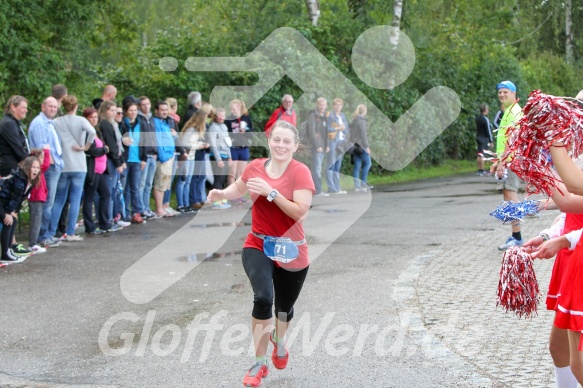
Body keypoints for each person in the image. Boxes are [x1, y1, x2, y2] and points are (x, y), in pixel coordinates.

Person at [207, 120, 314, 387]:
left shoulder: (300, 173)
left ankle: (280, 340)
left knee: (284, 310)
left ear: (295, 146)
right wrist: (222, 193)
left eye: (286, 141)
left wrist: (272, 192)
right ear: (269, 141)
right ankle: (259, 362)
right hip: (258, 244)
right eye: (276, 140)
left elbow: (300, 211)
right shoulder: (255, 166)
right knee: (264, 298)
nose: (280, 145)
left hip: (292, 250)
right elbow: (240, 188)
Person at [50, 95, 96, 242]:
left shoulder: (56, 122)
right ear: (76, 106)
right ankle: (70, 233)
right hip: (79, 163)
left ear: (63, 107)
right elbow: (93, 132)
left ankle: (51, 232)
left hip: (64, 163)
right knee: (75, 199)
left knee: (59, 199)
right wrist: (85, 147)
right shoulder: (81, 120)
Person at [489, 81, 523, 250]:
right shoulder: (508, 111)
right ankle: (515, 234)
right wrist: (497, 161)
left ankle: (517, 237)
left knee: (511, 195)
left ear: (513, 93)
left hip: (511, 160)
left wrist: (503, 161)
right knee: (508, 195)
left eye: (505, 92)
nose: (501, 95)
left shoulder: (515, 111)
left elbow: (512, 139)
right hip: (506, 159)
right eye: (500, 92)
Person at [28, 96, 63, 248]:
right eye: (50, 106)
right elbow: (42, 149)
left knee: (49, 202)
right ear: (43, 106)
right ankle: (43, 236)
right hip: (47, 168)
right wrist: (53, 164)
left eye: (55, 107)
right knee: (46, 203)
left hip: (54, 166)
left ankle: (46, 234)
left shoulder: (49, 123)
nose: (53, 109)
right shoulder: (39, 124)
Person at [0, 156, 41, 264]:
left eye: (37, 167)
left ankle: (9, 250)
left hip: (5, 204)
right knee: (7, 222)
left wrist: (13, 212)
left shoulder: (30, 181)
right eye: (33, 167)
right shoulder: (20, 178)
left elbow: (20, 200)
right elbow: (15, 197)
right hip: (1, 202)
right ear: (27, 167)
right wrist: (8, 212)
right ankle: (4, 254)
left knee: (13, 221)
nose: (36, 170)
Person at [97, 101, 127, 231]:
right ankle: (107, 220)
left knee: (113, 191)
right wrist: (118, 162)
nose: (114, 113)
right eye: (111, 110)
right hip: (109, 162)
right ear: (104, 110)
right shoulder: (105, 124)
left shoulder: (112, 124)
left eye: (115, 110)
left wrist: (121, 160)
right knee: (109, 192)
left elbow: (117, 146)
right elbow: (111, 145)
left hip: (115, 159)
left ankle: (111, 218)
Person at [82, 108, 112, 234]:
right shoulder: (86, 133)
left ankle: (104, 223)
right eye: (91, 117)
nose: (94, 119)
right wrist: (104, 150)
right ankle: (89, 227)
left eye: (95, 117)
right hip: (92, 171)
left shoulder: (96, 132)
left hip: (101, 170)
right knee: (89, 198)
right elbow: (91, 150)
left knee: (106, 194)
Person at [119, 100, 146, 224]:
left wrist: (144, 159)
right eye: (131, 110)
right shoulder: (121, 124)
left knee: (135, 187)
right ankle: (124, 213)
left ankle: (136, 212)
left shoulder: (141, 124)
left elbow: (145, 142)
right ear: (126, 112)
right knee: (124, 188)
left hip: (136, 159)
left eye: (135, 110)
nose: (133, 113)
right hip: (125, 159)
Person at [225, 99, 253, 204]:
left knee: (241, 174)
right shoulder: (228, 119)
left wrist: (245, 131)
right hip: (233, 148)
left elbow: (251, 134)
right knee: (232, 173)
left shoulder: (246, 118)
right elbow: (225, 134)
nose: (233, 111)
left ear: (240, 108)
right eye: (231, 109)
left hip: (244, 147)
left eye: (235, 109)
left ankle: (239, 195)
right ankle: (232, 196)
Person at [152, 101, 177, 217]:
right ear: (156, 111)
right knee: (160, 184)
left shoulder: (165, 123)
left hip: (169, 157)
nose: (164, 112)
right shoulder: (156, 123)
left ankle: (162, 207)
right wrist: (164, 157)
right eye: (162, 110)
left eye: (166, 110)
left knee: (165, 184)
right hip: (164, 158)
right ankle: (159, 209)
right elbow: (158, 141)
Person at [137, 96, 158, 219]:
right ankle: (141, 209)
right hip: (144, 156)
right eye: (143, 104)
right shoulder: (139, 119)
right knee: (141, 184)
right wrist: (143, 156)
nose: (146, 106)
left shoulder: (151, 118)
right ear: (139, 106)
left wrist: (156, 152)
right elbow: (142, 139)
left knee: (149, 184)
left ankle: (147, 207)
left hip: (153, 155)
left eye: (148, 104)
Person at [207, 108, 232, 209]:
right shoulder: (213, 127)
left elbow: (227, 142)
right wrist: (218, 159)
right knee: (217, 179)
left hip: (225, 155)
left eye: (223, 116)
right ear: (215, 116)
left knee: (222, 179)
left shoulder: (224, 126)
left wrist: (230, 156)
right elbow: (212, 144)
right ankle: (215, 202)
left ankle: (221, 200)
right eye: (219, 116)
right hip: (218, 156)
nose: (221, 118)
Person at [27, 147, 50, 253]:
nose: (43, 160)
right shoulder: (38, 169)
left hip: (39, 198)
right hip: (36, 198)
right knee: (36, 221)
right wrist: (47, 151)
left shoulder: (37, 171)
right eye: (41, 157)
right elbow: (46, 165)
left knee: (37, 220)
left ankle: (33, 242)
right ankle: (32, 243)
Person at [0, 95, 30, 177]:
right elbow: (17, 147)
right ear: (13, 107)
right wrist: (31, 161)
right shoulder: (8, 123)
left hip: (15, 166)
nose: (26, 110)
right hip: (11, 168)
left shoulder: (13, 123)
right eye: (23, 108)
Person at [187, 110, 210, 210]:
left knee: (201, 177)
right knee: (195, 177)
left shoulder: (202, 129)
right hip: (196, 154)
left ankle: (200, 198)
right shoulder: (193, 129)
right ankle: (194, 200)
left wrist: (206, 144)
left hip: (202, 153)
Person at [307, 97, 329, 197]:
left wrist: (327, 145)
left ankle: (317, 190)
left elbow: (326, 132)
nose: (322, 107)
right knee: (316, 169)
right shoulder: (313, 116)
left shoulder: (325, 116)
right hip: (317, 147)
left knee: (318, 168)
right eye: (320, 105)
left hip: (323, 147)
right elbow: (311, 132)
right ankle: (317, 191)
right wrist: (317, 145)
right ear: (317, 105)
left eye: (324, 105)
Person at [326, 97, 349, 194]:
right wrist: (338, 128)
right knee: (331, 164)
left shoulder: (342, 115)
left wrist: (343, 128)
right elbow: (327, 129)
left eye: (340, 105)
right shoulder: (330, 116)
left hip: (341, 142)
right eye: (336, 104)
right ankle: (331, 188)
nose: (338, 106)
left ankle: (337, 188)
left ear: (342, 106)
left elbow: (347, 129)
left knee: (337, 166)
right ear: (333, 106)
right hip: (333, 142)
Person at [350, 104, 372, 192]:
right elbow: (363, 135)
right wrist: (367, 146)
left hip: (354, 146)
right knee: (368, 163)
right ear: (365, 111)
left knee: (357, 166)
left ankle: (357, 186)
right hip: (362, 146)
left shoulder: (354, 121)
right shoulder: (362, 121)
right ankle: (363, 182)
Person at [476, 103, 493, 176]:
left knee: (479, 154)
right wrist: (491, 140)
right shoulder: (485, 119)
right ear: (485, 110)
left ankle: (479, 169)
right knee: (483, 154)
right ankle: (482, 170)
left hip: (478, 137)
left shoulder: (477, 118)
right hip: (483, 138)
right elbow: (488, 130)